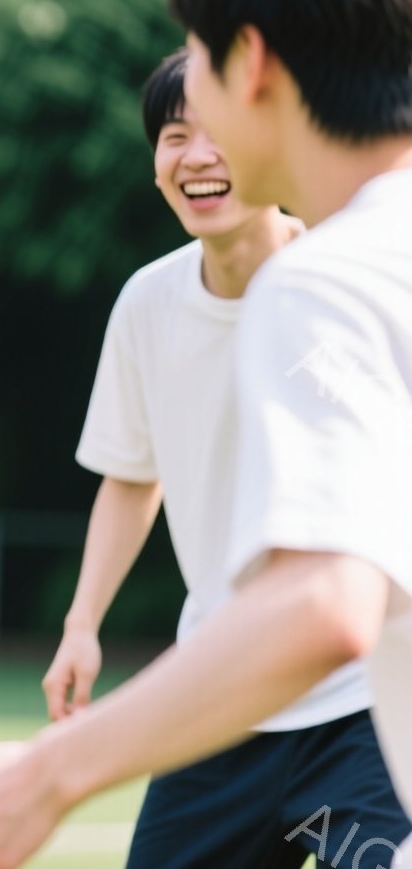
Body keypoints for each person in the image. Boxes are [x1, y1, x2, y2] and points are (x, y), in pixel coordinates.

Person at [0, 0, 412, 867]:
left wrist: (46, 773)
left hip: (350, 710)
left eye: (197, 61)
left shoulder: (324, 282)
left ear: (248, 62)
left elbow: (327, 600)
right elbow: (137, 480)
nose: (193, 129)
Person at [41, 48, 406, 866]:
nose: (197, 156)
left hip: (366, 704)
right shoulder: (148, 302)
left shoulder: (352, 287)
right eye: (174, 136)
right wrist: (81, 624)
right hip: (222, 696)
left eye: (219, 133)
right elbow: (133, 475)